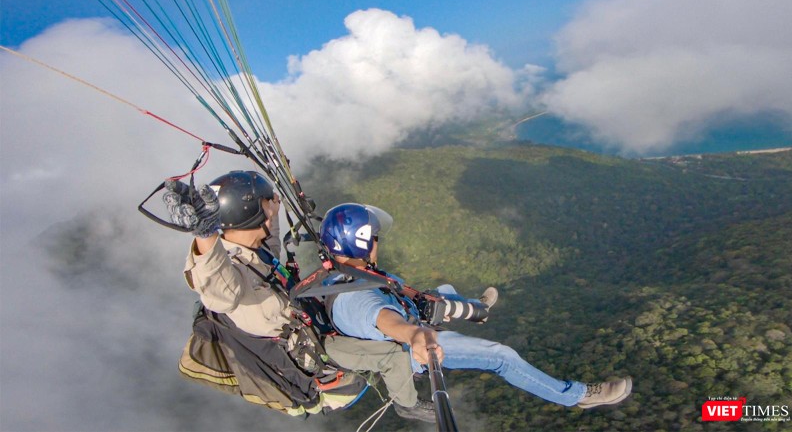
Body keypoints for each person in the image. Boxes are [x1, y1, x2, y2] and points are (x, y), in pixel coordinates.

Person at [163, 171, 436, 422]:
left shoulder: (250, 248)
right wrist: (205, 237)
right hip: (317, 354)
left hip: (312, 321)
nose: (273, 203)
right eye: (268, 201)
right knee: (394, 356)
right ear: (253, 211)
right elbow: (217, 291)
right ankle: (407, 404)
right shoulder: (228, 278)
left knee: (357, 290)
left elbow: (268, 241)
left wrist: (276, 203)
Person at [318, 203, 633, 410]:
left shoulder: (344, 272)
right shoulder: (354, 298)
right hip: (410, 345)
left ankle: (474, 307)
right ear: (359, 243)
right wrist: (415, 336)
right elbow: (383, 318)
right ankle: (577, 397)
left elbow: (385, 306)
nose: (377, 242)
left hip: (406, 315)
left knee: (445, 292)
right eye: (374, 237)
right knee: (501, 356)